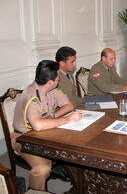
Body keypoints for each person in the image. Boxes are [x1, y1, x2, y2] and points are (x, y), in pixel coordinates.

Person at [12, 60, 82, 191]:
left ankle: (79, 181)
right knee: (42, 169)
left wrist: (53, 118)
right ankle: (34, 191)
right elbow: (37, 125)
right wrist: (67, 120)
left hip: (47, 132)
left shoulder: (51, 89)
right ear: (50, 82)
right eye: (58, 76)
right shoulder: (31, 96)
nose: (59, 78)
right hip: (23, 137)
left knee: (77, 144)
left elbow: (69, 105)